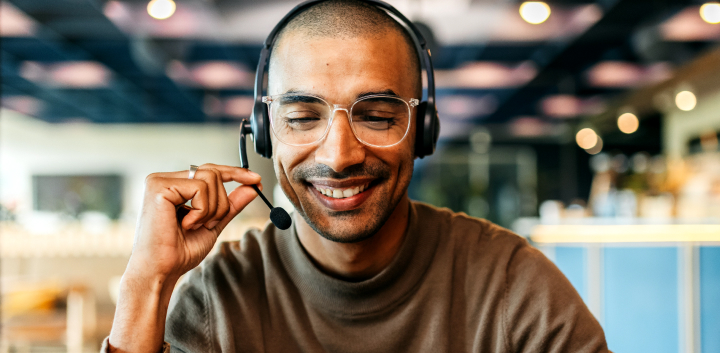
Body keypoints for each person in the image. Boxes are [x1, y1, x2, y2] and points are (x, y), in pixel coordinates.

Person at [105, 1, 609, 352]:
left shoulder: (514, 286)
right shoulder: (217, 297)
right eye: (302, 117)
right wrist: (144, 286)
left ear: (422, 131)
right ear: (263, 133)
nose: (340, 156)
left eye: (377, 115)